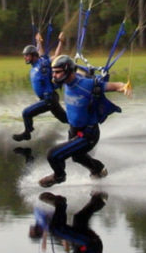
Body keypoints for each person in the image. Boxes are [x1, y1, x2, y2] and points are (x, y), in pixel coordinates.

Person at [39, 54, 131, 188]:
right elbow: (64, 65)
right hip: (74, 130)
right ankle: (98, 170)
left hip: (88, 134)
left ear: (68, 71)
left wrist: (124, 87)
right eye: (54, 72)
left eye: (58, 72)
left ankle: (59, 176)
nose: (55, 76)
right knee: (77, 157)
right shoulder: (66, 82)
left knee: (53, 155)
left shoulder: (86, 85)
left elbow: (115, 86)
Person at [13, 34, 67, 142]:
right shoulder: (35, 66)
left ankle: (27, 133)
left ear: (33, 55)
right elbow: (41, 54)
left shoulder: (43, 64)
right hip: (48, 99)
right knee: (66, 119)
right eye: (25, 55)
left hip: (49, 99)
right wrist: (39, 42)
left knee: (26, 113)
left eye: (27, 55)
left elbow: (56, 56)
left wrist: (60, 42)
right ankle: (83, 126)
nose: (25, 57)